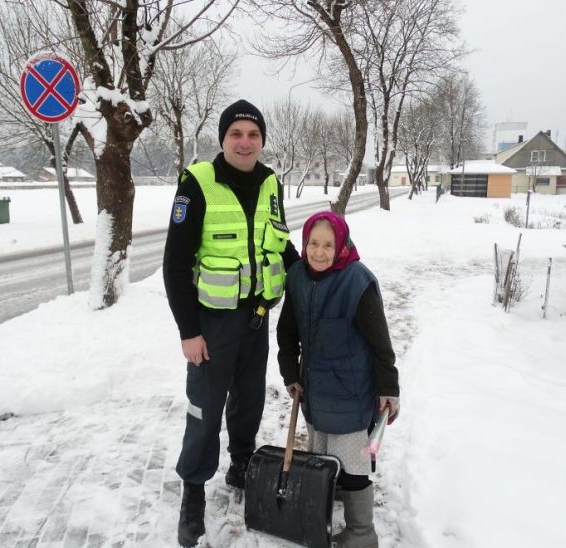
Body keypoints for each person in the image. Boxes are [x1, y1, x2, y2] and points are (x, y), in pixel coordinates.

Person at [163, 99, 299, 548]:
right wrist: (188, 331)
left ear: (262, 141)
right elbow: (174, 263)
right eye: (236, 134)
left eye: (253, 135)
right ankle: (193, 492)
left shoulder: (270, 183)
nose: (245, 142)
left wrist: (320, 278)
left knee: (250, 399)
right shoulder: (198, 183)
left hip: (256, 319)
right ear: (223, 139)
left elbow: (279, 245)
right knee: (205, 409)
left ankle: (241, 462)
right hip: (212, 324)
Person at [277, 211, 399, 548]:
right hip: (315, 394)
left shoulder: (357, 281)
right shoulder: (298, 277)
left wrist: (389, 388)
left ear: (341, 245)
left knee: (354, 464)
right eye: (313, 243)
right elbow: (287, 332)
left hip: (351, 395)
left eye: (328, 244)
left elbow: (380, 342)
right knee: (324, 457)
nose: (319, 251)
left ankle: (362, 533)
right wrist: (290, 372)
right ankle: (329, 503)